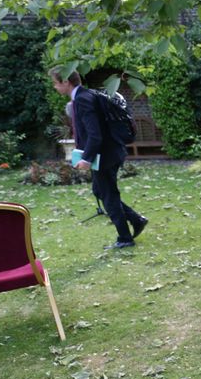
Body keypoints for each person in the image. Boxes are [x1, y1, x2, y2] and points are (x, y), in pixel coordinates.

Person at [50, 68, 147, 249]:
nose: (54, 87)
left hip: (105, 156)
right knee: (100, 191)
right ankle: (136, 219)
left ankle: (125, 238)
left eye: (55, 83)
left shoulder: (82, 100)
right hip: (109, 152)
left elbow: (95, 135)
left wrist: (86, 159)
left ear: (65, 81)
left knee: (108, 195)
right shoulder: (86, 96)